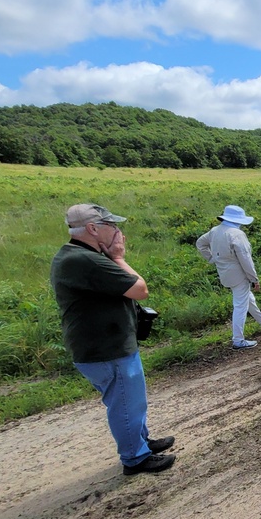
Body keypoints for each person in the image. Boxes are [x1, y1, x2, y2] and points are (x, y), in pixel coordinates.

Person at [50, 204, 176, 476]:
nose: (120, 234)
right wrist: (118, 257)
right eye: (113, 227)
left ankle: (140, 441)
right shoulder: (86, 260)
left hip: (110, 344)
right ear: (93, 229)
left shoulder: (78, 255)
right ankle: (135, 458)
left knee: (133, 400)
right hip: (106, 349)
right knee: (125, 404)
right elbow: (139, 289)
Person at [196, 204, 261, 350]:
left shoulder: (215, 230)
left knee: (247, 298)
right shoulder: (237, 234)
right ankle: (238, 340)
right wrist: (254, 279)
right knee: (240, 305)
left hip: (224, 273)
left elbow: (200, 243)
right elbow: (245, 259)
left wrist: (212, 258)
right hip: (239, 274)